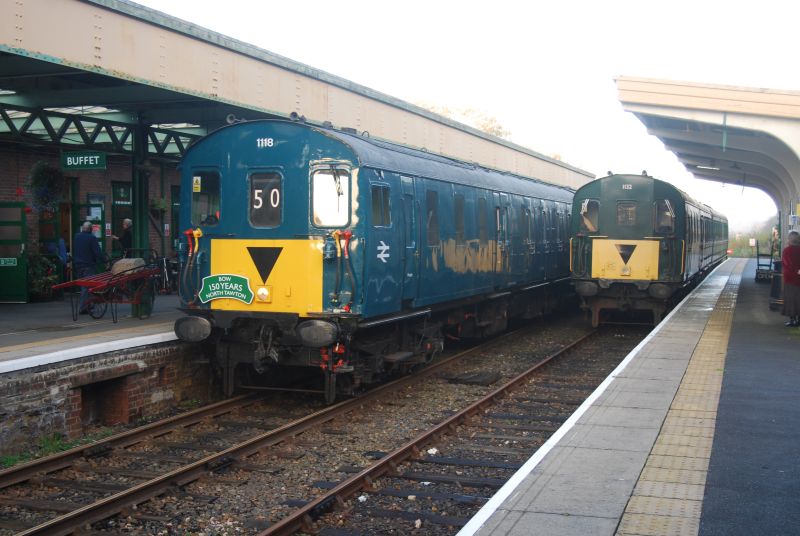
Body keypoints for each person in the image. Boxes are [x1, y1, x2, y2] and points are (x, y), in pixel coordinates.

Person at [73, 221, 103, 314]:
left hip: (78, 265)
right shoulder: (92, 238)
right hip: (88, 265)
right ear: (90, 229)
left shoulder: (77, 236)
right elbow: (97, 252)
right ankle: (83, 308)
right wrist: (104, 260)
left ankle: (89, 305)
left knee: (83, 286)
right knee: (87, 287)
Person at [781, 230, 800, 327]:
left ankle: (792, 320)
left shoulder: (786, 251)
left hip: (790, 279)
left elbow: (786, 263)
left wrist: (795, 270)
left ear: (790, 240)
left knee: (790, 299)